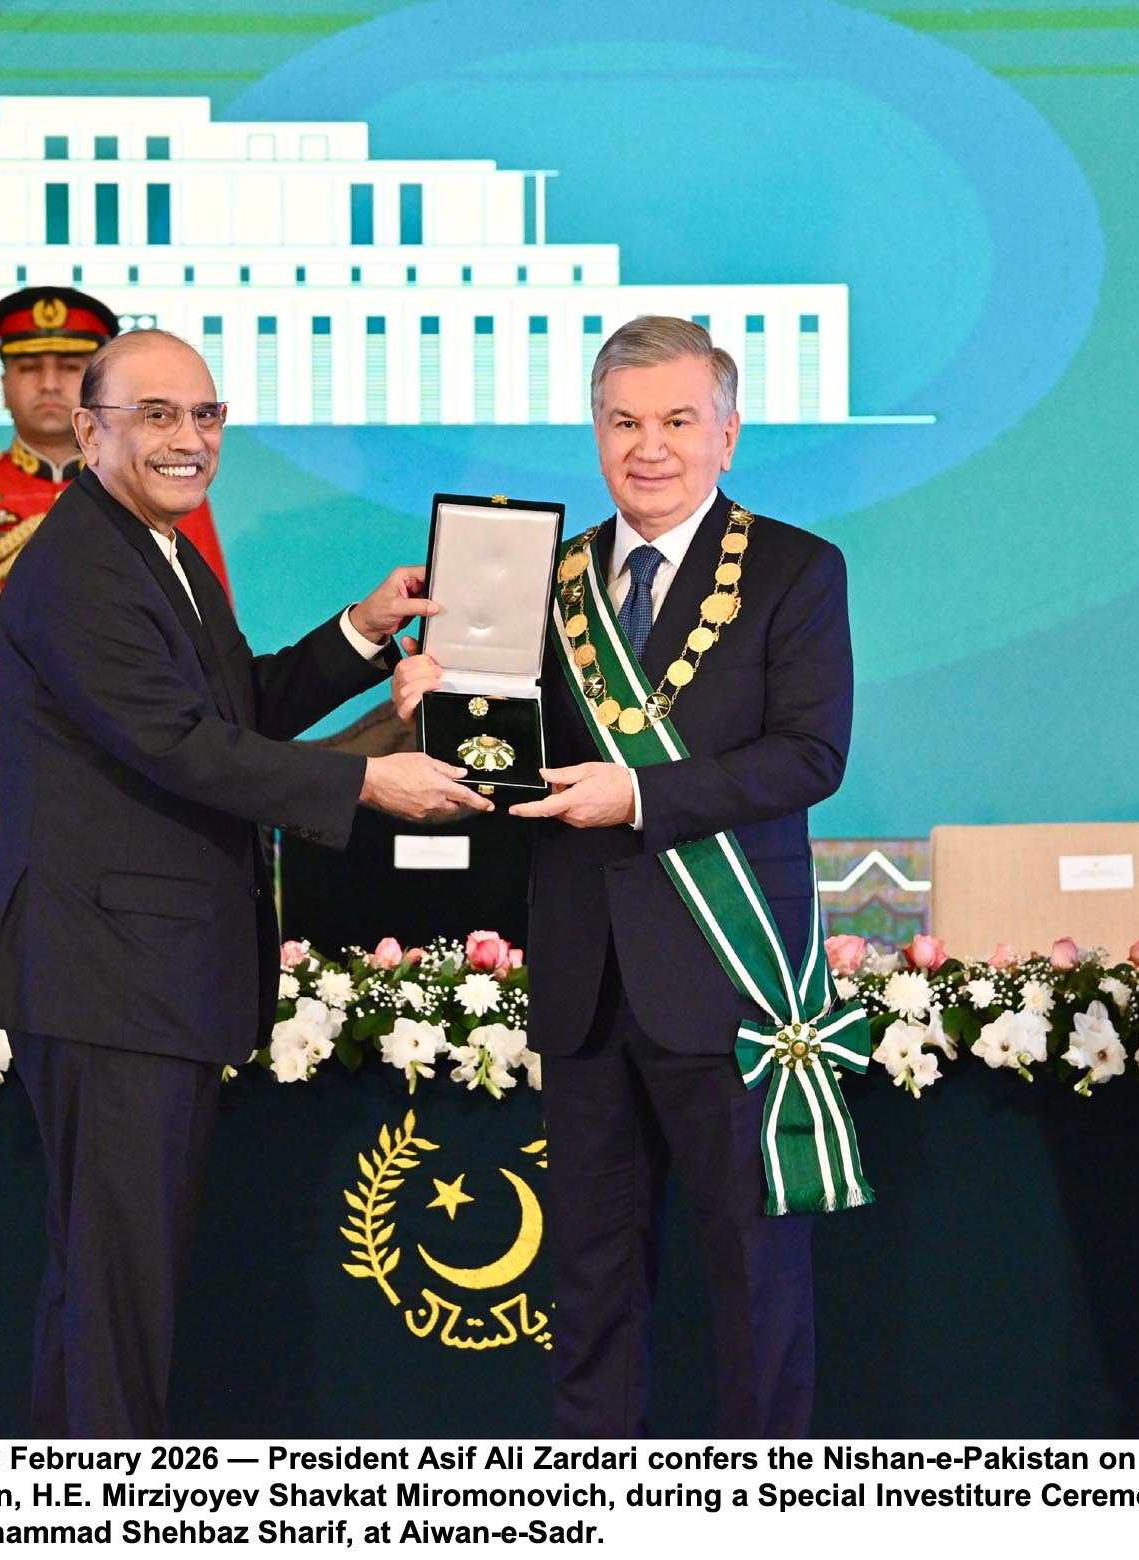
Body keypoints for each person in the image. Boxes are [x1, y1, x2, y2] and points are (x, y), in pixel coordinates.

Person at [0, 327, 492, 1437]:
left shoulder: (156, 547)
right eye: (157, 414)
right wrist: (369, 783)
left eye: (205, 415)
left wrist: (364, 631)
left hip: (141, 977)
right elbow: (181, 746)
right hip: (110, 981)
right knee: (117, 1292)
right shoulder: (81, 564)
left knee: (110, 1284)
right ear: (89, 430)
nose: (189, 438)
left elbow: (233, 708)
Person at [394, 316, 854, 1436]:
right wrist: (432, 710)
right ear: (595, 434)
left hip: (730, 981)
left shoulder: (796, 567)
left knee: (756, 1282)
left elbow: (810, 756)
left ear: (728, 434)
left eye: (678, 421)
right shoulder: (541, 578)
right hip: (585, 977)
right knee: (590, 1288)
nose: (650, 447)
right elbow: (500, 757)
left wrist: (641, 795)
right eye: (624, 422)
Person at [0, 289, 229, 950]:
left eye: (72, 366)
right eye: (29, 367)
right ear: (4, 382)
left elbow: (209, 682)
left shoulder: (173, 493)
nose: (51, 383)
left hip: (135, 824)